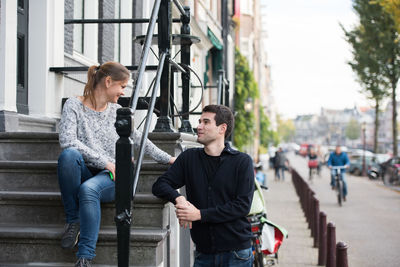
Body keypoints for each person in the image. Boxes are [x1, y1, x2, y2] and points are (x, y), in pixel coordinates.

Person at [57, 62, 175, 267]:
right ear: (108, 81)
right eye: (122, 86)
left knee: (88, 190)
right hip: (88, 168)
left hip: (112, 177)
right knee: (68, 156)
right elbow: (68, 140)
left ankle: (85, 258)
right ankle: (73, 219)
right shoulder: (73, 105)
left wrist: (168, 158)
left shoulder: (117, 111)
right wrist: (106, 162)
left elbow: (140, 139)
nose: (124, 91)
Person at [152, 105, 255, 267]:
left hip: (236, 254)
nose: (199, 126)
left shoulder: (242, 162)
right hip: (204, 253)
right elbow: (160, 185)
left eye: (206, 122)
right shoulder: (189, 158)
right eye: (199, 121)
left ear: (222, 128)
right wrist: (179, 199)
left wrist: (199, 214)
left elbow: (242, 206)